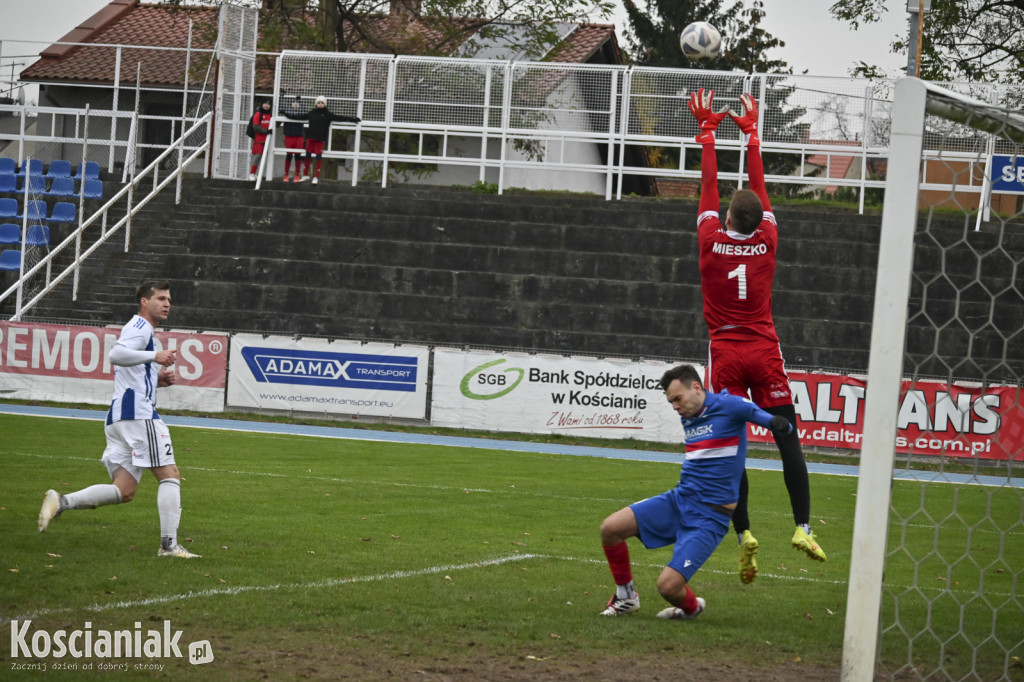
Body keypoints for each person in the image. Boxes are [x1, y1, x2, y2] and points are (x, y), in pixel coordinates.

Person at [687, 88, 826, 585]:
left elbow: (707, 187)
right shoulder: (768, 239)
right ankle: (804, 527)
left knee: (731, 445)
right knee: (788, 438)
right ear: (759, 220)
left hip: (726, 351)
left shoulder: (709, 241)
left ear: (726, 218)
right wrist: (751, 136)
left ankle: (744, 533)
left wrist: (707, 133)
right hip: (764, 351)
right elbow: (759, 193)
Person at [599, 364, 792, 619]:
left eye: (678, 399)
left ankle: (692, 609)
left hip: (709, 518)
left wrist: (778, 424)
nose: (675, 407)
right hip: (679, 500)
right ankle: (626, 596)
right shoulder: (688, 414)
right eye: (671, 402)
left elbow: (764, 418)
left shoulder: (730, 405)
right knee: (610, 529)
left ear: (697, 387)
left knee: (668, 587)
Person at [37, 280, 200, 559]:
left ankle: (62, 501)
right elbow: (115, 355)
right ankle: (169, 546)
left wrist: (157, 380)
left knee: (124, 490)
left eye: (169, 299)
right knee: (170, 476)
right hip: (138, 415)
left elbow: (131, 373)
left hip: (120, 416)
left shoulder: (140, 331)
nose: (167, 304)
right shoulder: (139, 328)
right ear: (144, 302)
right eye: (161, 298)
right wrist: (155, 355)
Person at [280, 95, 360, 185]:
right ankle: (305, 174)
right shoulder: (311, 113)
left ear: (325, 104)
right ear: (316, 104)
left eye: (322, 103)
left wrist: (353, 119)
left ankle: (316, 176)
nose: (320, 104)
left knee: (318, 157)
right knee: (307, 156)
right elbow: (298, 117)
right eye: (319, 103)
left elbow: (340, 117)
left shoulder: (328, 115)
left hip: (320, 139)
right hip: (310, 138)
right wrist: (286, 114)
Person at [280, 95, 307, 183]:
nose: (295, 104)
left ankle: (297, 174)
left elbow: (305, 110)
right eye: (294, 102)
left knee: (298, 156)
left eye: (297, 102)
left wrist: (301, 101)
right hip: (289, 136)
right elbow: (279, 105)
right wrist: (281, 96)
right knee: (289, 155)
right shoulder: (287, 110)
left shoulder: (302, 112)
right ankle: (286, 174)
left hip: (299, 137)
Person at [248, 98, 273, 181]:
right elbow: (255, 126)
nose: (267, 105)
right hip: (259, 140)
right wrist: (266, 132)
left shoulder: (271, 115)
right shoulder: (258, 114)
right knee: (258, 156)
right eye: (265, 103)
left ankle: (261, 175)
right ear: (262, 104)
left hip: (269, 140)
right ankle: (252, 173)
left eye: (268, 104)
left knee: (268, 158)